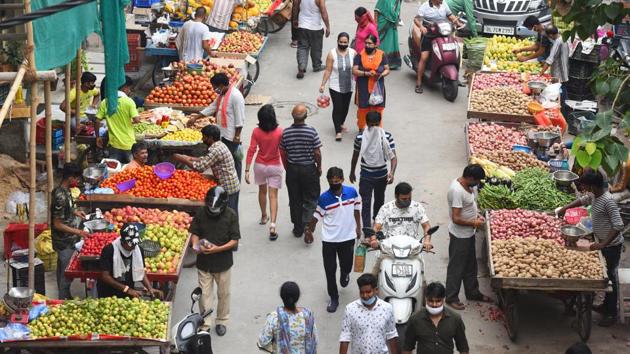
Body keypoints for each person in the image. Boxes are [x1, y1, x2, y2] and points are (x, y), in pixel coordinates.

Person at [556, 171, 624, 327]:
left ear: (593, 186)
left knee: (610, 279)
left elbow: (618, 225)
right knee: (605, 276)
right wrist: (565, 208)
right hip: (602, 241)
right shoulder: (595, 195)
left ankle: (611, 314)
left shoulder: (608, 201)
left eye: (585, 185)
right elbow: (583, 200)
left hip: (612, 246)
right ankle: (604, 306)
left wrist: (603, 244)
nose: (584, 188)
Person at [305, 167, 361, 312]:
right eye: (331, 181)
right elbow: (316, 216)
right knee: (330, 270)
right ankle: (334, 298)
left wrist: (358, 227)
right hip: (329, 240)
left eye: (337, 181)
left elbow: (356, 209)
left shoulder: (352, 192)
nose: (334, 184)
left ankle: (345, 273)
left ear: (342, 180)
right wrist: (309, 230)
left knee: (347, 264)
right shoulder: (324, 198)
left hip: (348, 237)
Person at [189, 186, 240, 336]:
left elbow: (234, 240)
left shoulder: (231, 215)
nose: (212, 210)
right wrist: (196, 246)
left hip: (223, 263)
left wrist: (218, 249)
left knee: (224, 294)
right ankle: (205, 323)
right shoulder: (200, 213)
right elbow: (195, 233)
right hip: (204, 263)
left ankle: (222, 320)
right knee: (204, 295)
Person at [445, 164, 492, 310]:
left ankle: (473, 292)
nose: (478, 184)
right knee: (456, 267)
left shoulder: (468, 186)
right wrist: (474, 222)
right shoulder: (457, 190)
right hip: (460, 236)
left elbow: (469, 206)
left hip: (469, 233)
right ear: (470, 178)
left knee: (471, 266)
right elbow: (456, 218)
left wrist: (476, 215)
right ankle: (451, 297)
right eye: (477, 181)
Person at [189, 73, 245, 181]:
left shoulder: (235, 96)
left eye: (215, 87)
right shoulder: (222, 95)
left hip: (231, 135)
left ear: (221, 85)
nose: (214, 89)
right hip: (222, 133)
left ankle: (235, 181)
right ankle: (225, 180)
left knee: (234, 160)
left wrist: (237, 136)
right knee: (224, 161)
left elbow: (240, 118)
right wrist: (196, 117)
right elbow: (213, 107)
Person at [173, 124, 241, 214]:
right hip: (232, 184)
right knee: (231, 213)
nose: (202, 139)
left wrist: (182, 159)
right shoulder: (219, 145)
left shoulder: (216, 150)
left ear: (210, 138)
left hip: (228, 187)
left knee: (229, 214)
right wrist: (190, 157)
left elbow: (200, 167)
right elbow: (207, 159)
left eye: (204, 137)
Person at [370, 182, 433, 276]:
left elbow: (426, 226)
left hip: (412, 250)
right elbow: (377, 227)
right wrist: (373, 239)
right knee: (374, 276)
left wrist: (427, 241)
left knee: (421, 277)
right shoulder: (386, 208)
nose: (407, 201)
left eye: (409, 198)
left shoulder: (417, 207)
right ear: (396, 196)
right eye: (404, 199)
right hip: (389, 250)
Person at [280, 104, 323, 239]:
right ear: (306, 116)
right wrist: (319, 167)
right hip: (309, 169)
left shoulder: (286, 132)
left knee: (295, 199)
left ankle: (297, 227)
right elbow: (317, 152)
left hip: (293, 169)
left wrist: (288, 168)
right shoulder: (311, 131)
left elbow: (283, 152)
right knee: (311, 198)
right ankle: (308, 226)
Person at [349, 111, 397, 228]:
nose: (374, 127)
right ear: (367, 123)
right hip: (366, 176)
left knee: (379, 201)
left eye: (376, 124)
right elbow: (355, 155)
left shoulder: (387, 136)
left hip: (382, 176)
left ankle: (377, 223)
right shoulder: (360, 138)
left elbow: (393, 157)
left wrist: (392, 172)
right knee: (366, 203)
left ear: (379, 123)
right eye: (371, 125)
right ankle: (367, 228)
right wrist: (352, 172)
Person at [51, 163, 89, 299]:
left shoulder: (65, 191)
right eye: (77, 179)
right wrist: (78, 232)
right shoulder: (60, 196)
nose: (78, 182)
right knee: (66, 273)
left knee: (62, 268)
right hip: (64, 241)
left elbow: (67, 210)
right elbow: (57, 224)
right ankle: (63, 299)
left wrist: (76, 212)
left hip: (68, 239)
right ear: (70, 178)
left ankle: (64, 294)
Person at [245, 104, 284, 240]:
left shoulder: (256, 131)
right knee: (273, 196)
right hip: (275, 166)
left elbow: (251, 149)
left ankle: (263, 216)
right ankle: (273, 225)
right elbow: (284, 150)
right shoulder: (280, 131)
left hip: (260, 166)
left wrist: (247, 170)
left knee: (262, 191)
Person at [97, 223, 163, 299]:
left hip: (128, 293)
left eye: (135, 244)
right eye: (131, 244)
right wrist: (127, 289)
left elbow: (140, 271)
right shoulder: (109, 250)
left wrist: (150, 288)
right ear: (122, 241)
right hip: (108, 293)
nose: (134, 247)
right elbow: (105, 276)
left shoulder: (138, 250)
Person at [402, 282, 469, 354]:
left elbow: (463, 348)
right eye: (430, 301)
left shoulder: (455, 319)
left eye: (438, 301)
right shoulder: (415, 319)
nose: (434, 304)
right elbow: (407, 347)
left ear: (443, 299)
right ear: (425, 299)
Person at [339, 273, 398, 354]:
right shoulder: (350, 309)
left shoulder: (387, 308)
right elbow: (345, 338)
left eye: (368, 292)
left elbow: (392, 335)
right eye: (362, 292)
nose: (365, 295)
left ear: (376, 290)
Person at [413, 0, 463, 93]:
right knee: (424, 57)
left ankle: (455, 77)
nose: (442, 0)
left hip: (443, 32)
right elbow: (416, 19)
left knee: (455, 51)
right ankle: (419, 82)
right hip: (429, 34)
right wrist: (421, 26)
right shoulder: (425, 6)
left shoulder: (444, 4)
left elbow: (450, 15)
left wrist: (457, 22)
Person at [258, 281, 318, 353]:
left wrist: (276, 348)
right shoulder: (308, 316)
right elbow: (314, 340)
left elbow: (263, 342)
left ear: (281, 296)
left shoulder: (274, 318)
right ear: (297, 297)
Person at [319, 32, 357, 141]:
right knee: (338, 107)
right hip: (335, 86)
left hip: (349, 86)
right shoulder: (332, 54)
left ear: (348, 42)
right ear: (337, 41)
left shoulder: (353, 53)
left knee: (345, 108)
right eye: (341, 42)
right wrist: (323, 84)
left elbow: (356, 68)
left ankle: (340, 123)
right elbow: (328, 70)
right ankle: (338, 131)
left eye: (345, 42)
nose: (343, 44)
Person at [96, 75, 140, 163]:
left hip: (114, 144)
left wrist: (98, 137)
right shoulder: (129, 101)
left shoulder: (106, 102)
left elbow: (97, 121)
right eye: (129, 89)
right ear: (124, 88)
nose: (129, 91)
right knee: (131, 170)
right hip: (129, 143)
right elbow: (136, 120)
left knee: (114, 170)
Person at [352, 34, 390, 131]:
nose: (367, 45)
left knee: (377, 109)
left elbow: (387, 69)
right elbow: (354, 71)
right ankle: (362, 129)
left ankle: (378, 130)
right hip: (363, 87)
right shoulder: (360, 55)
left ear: (375, 45)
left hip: (377, 87)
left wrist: (381, 75)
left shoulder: (382, 54)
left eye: (370, 43)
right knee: (363, 109)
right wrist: (366, 73)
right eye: (366, 43)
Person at [293, 0, 331, 79]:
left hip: (302, 25)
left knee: (302, 47)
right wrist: (328, 27)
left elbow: (295, 7)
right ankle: (317, 66)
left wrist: (295, 19)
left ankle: (301, 67)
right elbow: (323, 12)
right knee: (316, 48)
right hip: (315, 27)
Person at [541, 25, 569, 118]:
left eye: (549, 36)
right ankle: (564, 110)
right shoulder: (563, 38)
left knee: (560, 91)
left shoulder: (558, 42)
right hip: (564, 68)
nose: (549, 38)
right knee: (563, 88)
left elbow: (550, 59)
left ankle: (562, 112)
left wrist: (541, 72)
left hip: (559, 71)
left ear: (552, 35)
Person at [374, 0, 402, 69]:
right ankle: (379, 62)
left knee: (391, 43)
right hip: (382, 23)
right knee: (380, 42)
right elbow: (376, 10)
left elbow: (398, 10)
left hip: (392, 25)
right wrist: (375, 24)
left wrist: (397, 20)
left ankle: (391, 63)